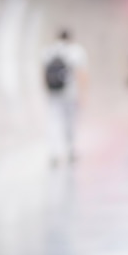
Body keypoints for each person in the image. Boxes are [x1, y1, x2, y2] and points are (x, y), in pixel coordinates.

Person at [43, 29, 88, 165]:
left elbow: (43, 74)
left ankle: (54, 153)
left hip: (54, 93)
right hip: (70, 93)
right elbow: (81, 74)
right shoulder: (76, 51)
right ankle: (71, 150)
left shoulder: (48, 51)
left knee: (54, 121)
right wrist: (83, 94)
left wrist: (47, 91)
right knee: (70, 122)